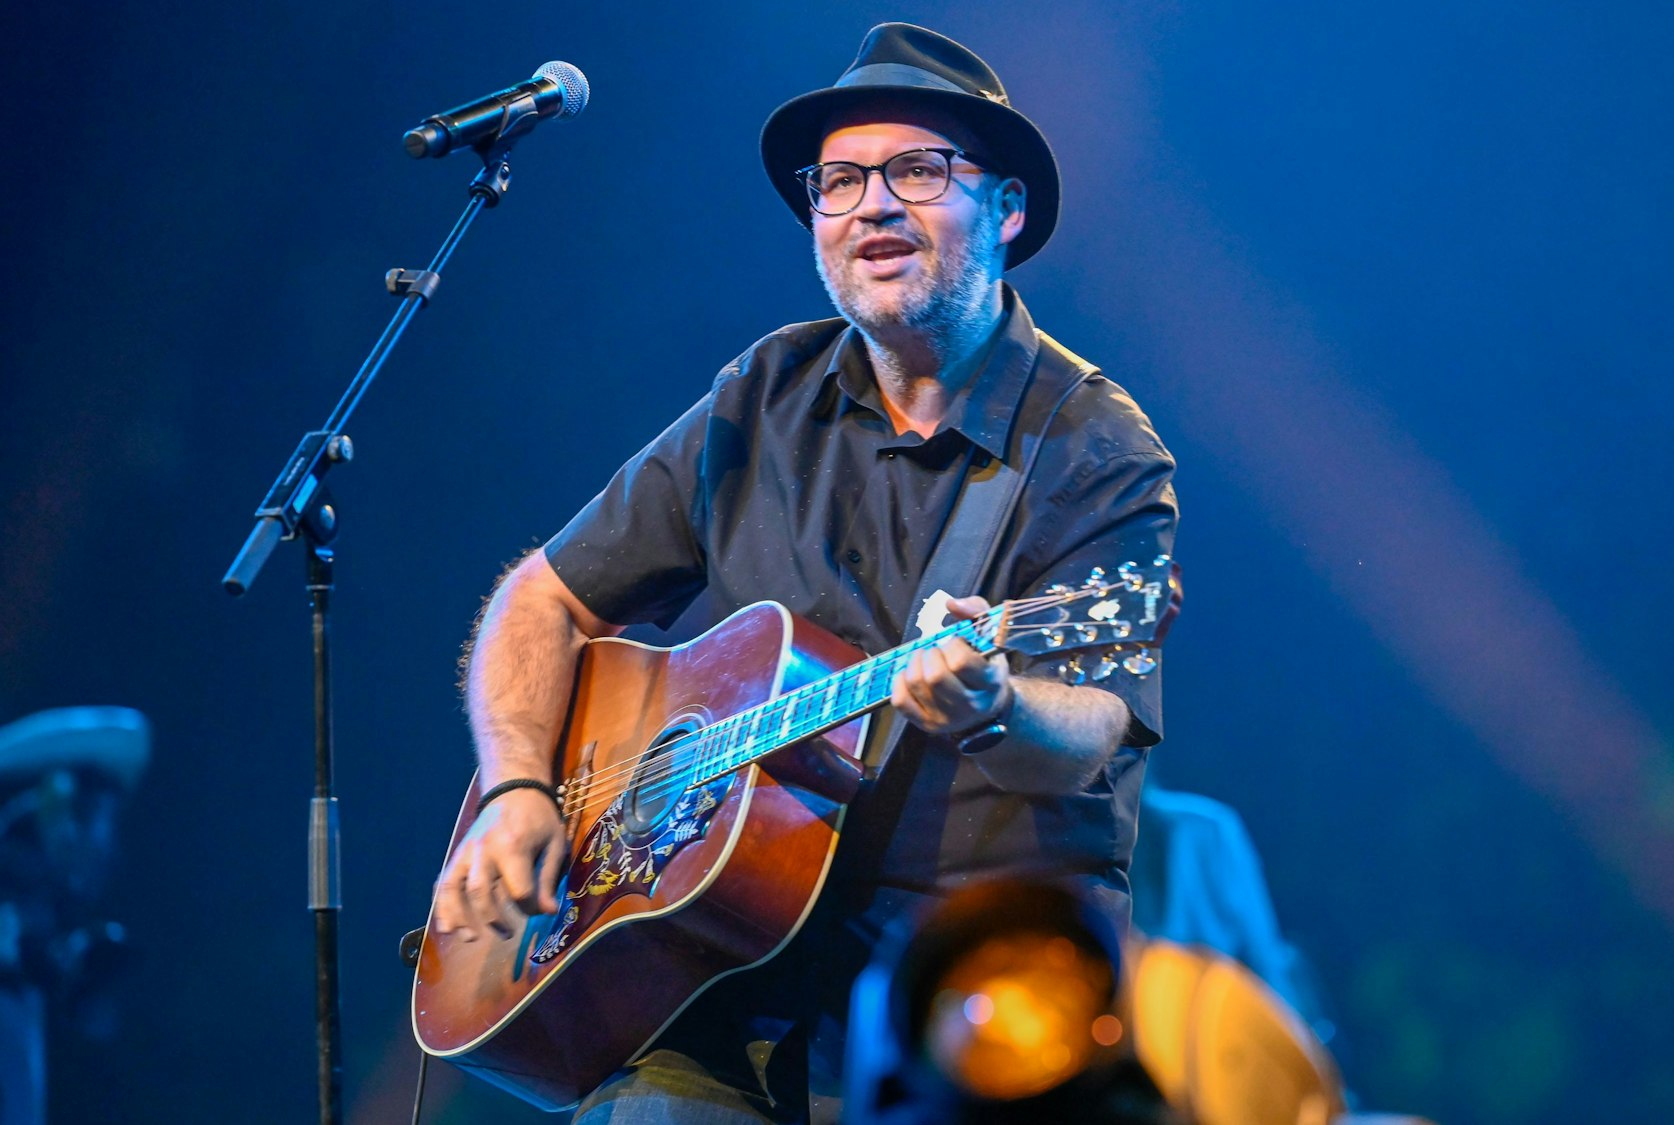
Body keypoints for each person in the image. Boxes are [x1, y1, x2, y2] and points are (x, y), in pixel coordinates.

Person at [428, 23, 1177, 1124]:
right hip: (714, 973)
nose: (871, 205)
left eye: (917, 170)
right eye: (838, 182)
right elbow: (540, 599)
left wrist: (994, 701)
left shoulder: (1095, 446)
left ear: (1006, 210)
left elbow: (1095, 724)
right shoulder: (760, 393)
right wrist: (516, 790)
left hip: (970, 989)